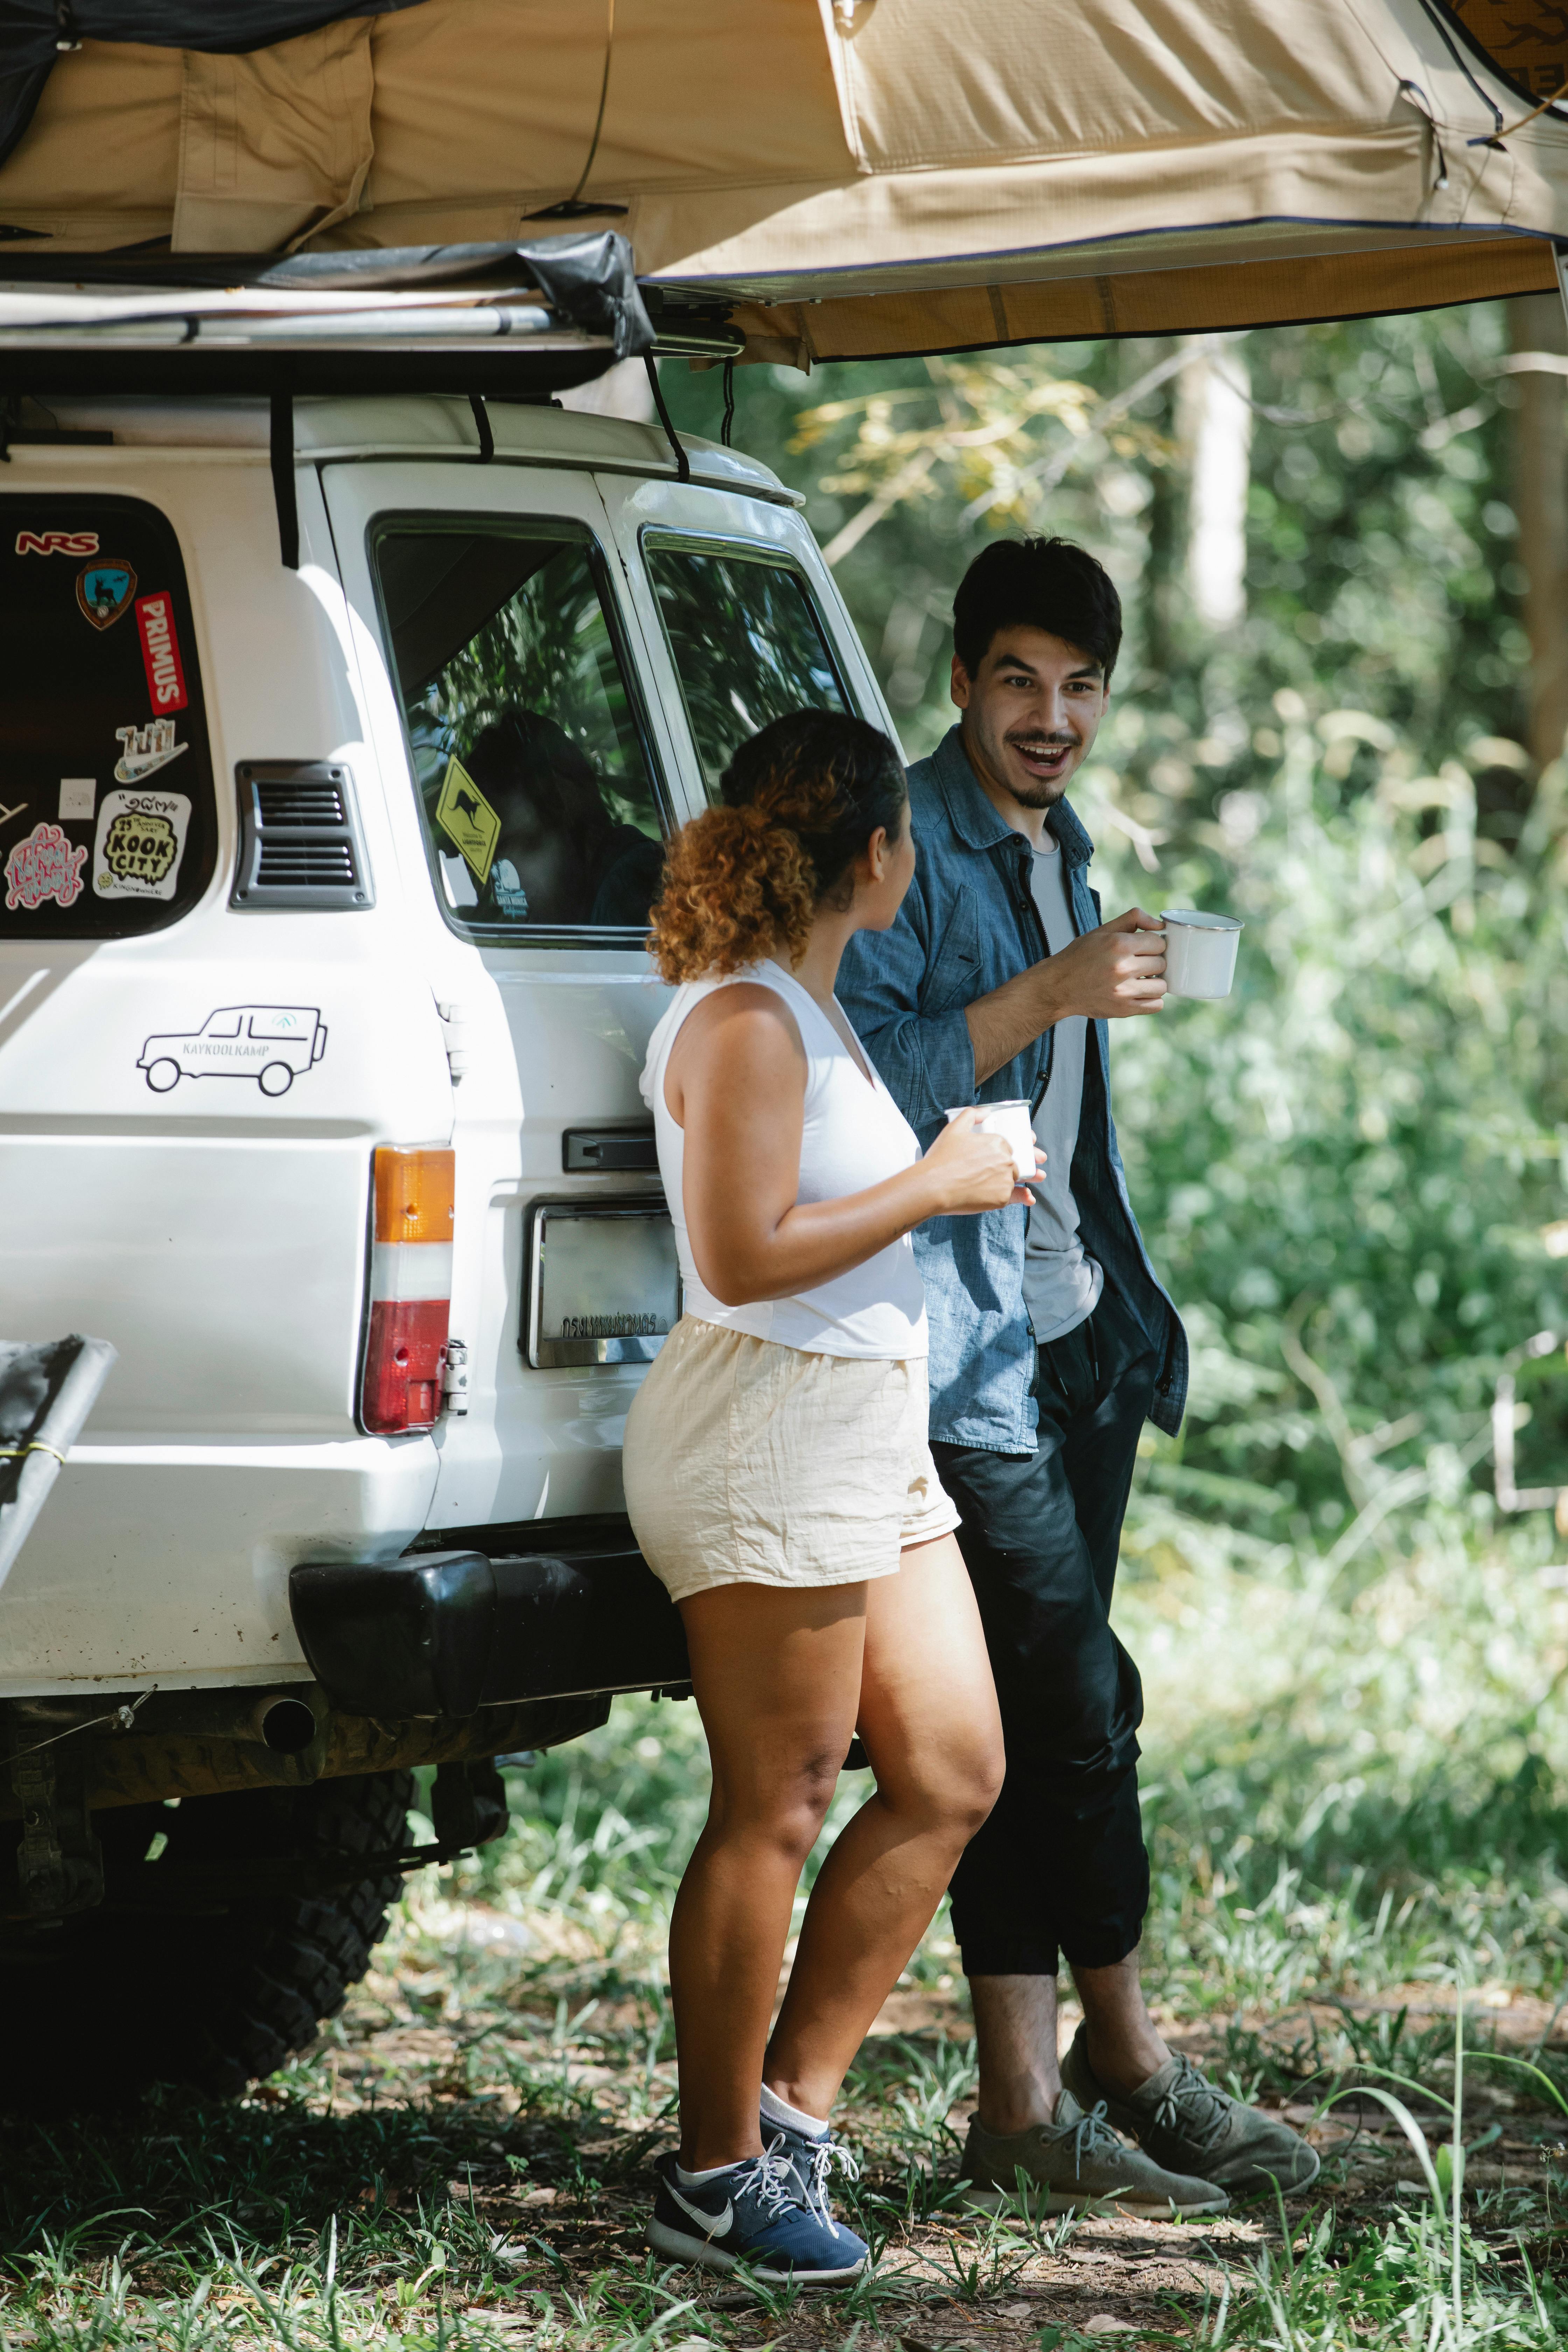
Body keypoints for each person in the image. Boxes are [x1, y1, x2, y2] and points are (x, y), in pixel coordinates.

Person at [838, 539, 1318, 2210]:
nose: (1053, 716)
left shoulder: (1061, 841)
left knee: (1059, 1717)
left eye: (1083, 685)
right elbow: (864, 1086)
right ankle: (1121, 2072)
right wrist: (1040, 991)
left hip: (1071, 1342)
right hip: (961, 1364)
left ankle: (1027, 2109)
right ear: (962, 677)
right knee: (1074, 1716)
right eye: (1021, 679)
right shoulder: (895, 837)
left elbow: (1056, 1112)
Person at [623, 710, 1014, 2286]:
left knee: (951, 1770)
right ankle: (712, 2172)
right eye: (908, 832)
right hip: (762, 1431)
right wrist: (941, 1179)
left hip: (867, 1427)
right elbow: (741, 1255)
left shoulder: (806, 1005)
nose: (913, 854)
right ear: (875, 854)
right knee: (777, 1803)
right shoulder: (745, 1025)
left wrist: (938, 1167)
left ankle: (788, 2117)